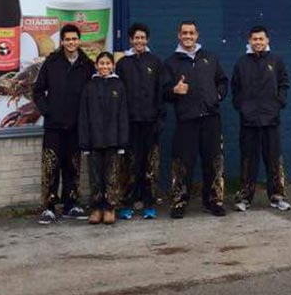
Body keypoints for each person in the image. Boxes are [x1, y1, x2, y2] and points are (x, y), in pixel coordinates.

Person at [163, 20, 228, 219]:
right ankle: (180, 202)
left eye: (191, 33)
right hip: (186, 120)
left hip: (210, 118)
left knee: (213, 161)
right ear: (179, 35)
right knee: (183, 163)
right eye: (184, 33)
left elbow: (223, 81)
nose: (188, 36)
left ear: (197, 35)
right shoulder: (171, 62)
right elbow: (163, 92)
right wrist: (174, 90)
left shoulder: (210, 58)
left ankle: (213, 201)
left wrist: (218, 95)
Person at [32, 23, 95, 224]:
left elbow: (92, 93)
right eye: (67, 39)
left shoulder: (87, 64)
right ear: (62, 41)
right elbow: (38, 91)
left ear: (79, 41)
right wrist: (48, 111)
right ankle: (48, 207)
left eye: (74, 39)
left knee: (72, 167)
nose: (71, 42)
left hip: (76, 126)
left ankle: (71, 205)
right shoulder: (52, 62)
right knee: (51, 167)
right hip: (54, 126)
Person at [231, 25, 291, 212]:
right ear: (249, 41)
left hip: (270, 120)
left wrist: (278, 103)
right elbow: (235, 88)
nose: (258, 42)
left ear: (267, 40)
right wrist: (242, 107)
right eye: (254, 39)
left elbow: (284, 83)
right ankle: (245, 198)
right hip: (249, 121)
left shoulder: (276, 61)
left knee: (273, 160)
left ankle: (277, 197)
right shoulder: (241, 63)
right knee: (248, 160)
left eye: (261, 39)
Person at [115, 22, 165, 220]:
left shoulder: (155, 62)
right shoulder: (123, 64)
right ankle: (127, 204)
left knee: (150, 166)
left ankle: (149, 205)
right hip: (130, 124)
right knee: (130, 166)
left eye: (143, 38)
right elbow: (118, 95)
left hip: (150, 124)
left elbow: (160, 93)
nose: (140, 41)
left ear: (147, 40)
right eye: (136, 38)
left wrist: (159, 119)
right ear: (131, 40)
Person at [78, 51, 130, 225]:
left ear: (112, 66)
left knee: (112, 176)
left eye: (108, 63)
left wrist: (122, 142)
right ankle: (96, 208)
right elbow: (84, 115)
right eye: (101, 63)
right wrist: (84, 142)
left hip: (113, 141)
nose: (105, 66)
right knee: (95, 177)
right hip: (94, 141)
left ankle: (109, 208)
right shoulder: (89, 86)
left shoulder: (119, 86)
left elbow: (123, 115)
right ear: (96, 65)